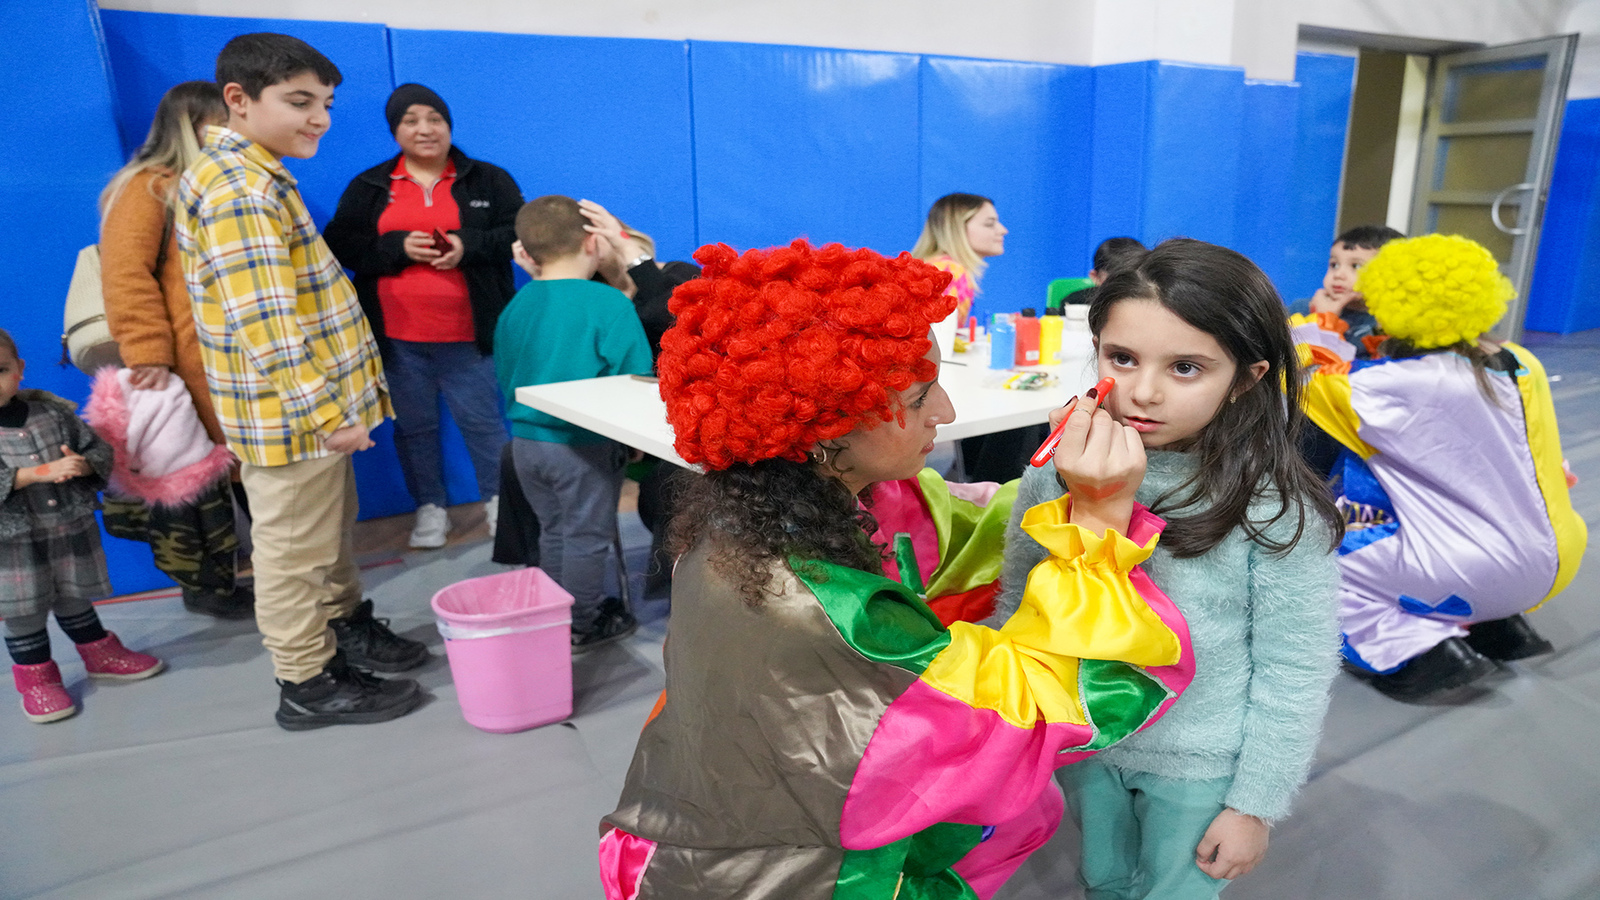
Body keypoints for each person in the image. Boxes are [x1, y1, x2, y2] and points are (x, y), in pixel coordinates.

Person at [600, 240, 1197, 899]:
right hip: (791, 881)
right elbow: (1038, 707)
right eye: (918, 398)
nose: (946, 412)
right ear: (825, 430)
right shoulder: (822, 615)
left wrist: (1062, 494)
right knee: (1028, 805)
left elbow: (959, 527)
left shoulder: (761, 513)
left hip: (693, 821)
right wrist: (1098, 522)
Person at [994, 238, 1344, 899]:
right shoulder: (1059, 470)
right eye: (1121, 358)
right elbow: (1017, 605)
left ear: (1247, 377)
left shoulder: (1273, 505)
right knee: (1103, 882)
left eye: (1185, 368)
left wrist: (1254, 804)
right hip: (1086, 746)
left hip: (1198, 765)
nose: (1142, 392)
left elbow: (1294, 667)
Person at [177, 33, 428, 730]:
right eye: (299, 102)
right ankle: (307, 681)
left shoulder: (258, 173)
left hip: (312, 414)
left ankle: (342, 628)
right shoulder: (239, 189)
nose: (319, 118)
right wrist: (326, 413)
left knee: (324, 538)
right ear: (238, 99)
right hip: (294, 419)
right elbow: (267, 322)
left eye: (326, 104)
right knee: (292, 555)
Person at [1293, 234, 1587, 701]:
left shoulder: (1385, 386)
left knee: (1311, 552)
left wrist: (1318, 319)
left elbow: (1303, 377)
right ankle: (1496, 626)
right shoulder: (1520, 361)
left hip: (1470, 569)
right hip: (1558, 555)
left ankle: (1415, 652)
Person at [324, 83, 520, 550]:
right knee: (414, 431)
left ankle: (501, 506)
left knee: (484, 426)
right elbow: (340, 244)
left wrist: (466, 246)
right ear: (395, 131)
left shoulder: (488, 180)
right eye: (410, 120)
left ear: (449, 126)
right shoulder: (371, 185)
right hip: (397, 341)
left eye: (435, 119)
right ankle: (429, 508)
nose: (425, 129)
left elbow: (517, 233)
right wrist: (396, 247)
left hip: (470, 337)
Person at [97, 80, 254, 620]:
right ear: (194, 125)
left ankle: (267, 580)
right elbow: (125, 275)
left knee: (244, 475)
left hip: (234, 357)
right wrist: (148, 352)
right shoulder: (149, 187)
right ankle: (208, 585)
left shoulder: (223, 181)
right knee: (198, 481)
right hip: (190, 363)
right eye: (224, 121)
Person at [495, 196, 653, 650]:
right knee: (587, 536)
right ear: (592, 242)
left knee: (554, 531)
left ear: (528, 251)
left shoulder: (516, 306)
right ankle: (582, 620)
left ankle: (555, 616)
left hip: (525, 444)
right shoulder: (607, 303)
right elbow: (636, 377)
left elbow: (505, 373)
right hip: (583, 447)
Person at [0, 330, 165, 723]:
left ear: (19, 369)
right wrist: (36, 473)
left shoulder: (53, 414)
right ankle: (37, 679)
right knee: (24, 611)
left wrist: (86, 463)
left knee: (74, 594)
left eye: (0, 370)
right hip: (12, 544)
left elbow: (97, 448)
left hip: (66, 527)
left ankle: (99, 653)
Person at [911, 193, 1033, 483]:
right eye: (990, 223)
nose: (1002, 230)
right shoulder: (951, 273)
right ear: (957, 229)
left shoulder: (931, 265)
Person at [1286, 224, 1404, 357]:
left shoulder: (1384, 324)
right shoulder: (1303, 308)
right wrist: (1316, 317)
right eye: (1334, 265)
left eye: (1356, 266)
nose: (1338, 274)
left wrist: (1325, 319)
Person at [1062, 236, 1147, 305]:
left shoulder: (1153, 304)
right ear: (1095, 277)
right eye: (1115, 281)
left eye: (1130, 279)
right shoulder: (1074, 304)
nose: (1124, 288)